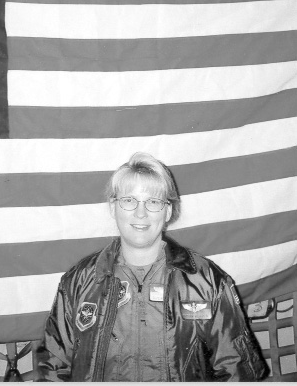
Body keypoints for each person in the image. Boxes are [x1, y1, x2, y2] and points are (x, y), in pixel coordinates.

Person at [38, 152, 267, 381]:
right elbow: (53, 369)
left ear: (167, 211)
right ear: (113, 207)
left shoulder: (206, 281)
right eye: (129, 200)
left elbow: (238, 372)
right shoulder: (79, 281)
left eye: (153, 202)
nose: (141, 213)